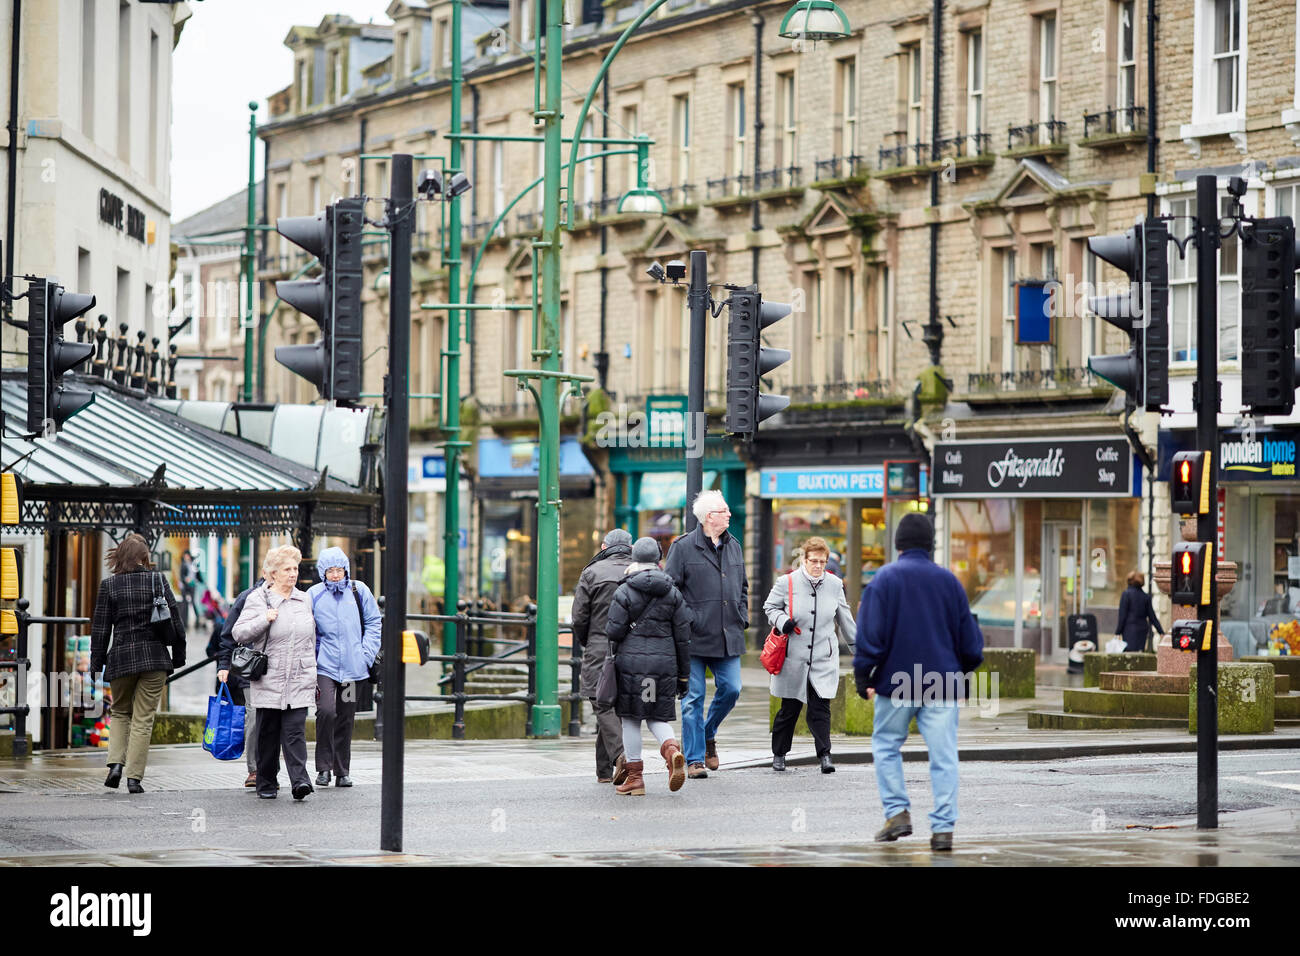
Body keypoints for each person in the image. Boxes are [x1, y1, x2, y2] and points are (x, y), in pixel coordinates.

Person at [853, 513, 983, 852]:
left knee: (885, 744)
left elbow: (870, 635)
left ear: (897, 544)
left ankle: (897, 812)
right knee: (943, 756)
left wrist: (862, 674)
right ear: (931, 544)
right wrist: (964, 672)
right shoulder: (949, 582)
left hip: (896, 680)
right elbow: (970, 642)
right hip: (942, 681)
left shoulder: (884, 579)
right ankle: (942, 830)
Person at [90, 533, 186, 794]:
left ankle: (115, 767)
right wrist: (179, 655)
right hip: (154, 658)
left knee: (120, 712)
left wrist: (95, 662)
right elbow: (175, 620)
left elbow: (100, 628)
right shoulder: (157, 580)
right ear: (145, 557)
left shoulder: (109, 585)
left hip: (121, 658)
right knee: (143, 719)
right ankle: (134, 779)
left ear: (120, 556)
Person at [664, 488, 747, 779]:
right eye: (724, 511)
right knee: (692, 699)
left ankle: (708, 732)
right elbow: (669, 590)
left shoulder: (734, 545)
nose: (729, 514)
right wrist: (686, 620)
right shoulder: (683, 547)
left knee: (732, 689)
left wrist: (742, 616)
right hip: (693, 637)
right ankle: (696, 760)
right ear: (709, 517)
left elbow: (743, 587)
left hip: (728, 635)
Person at [603, 537, 692, 795]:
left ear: (634, 559)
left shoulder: (624, 591)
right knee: (656, 716)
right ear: (658, 559)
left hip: (631, 665)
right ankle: (672, 750)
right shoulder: (673, 592)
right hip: (663, 665)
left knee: (631, 719)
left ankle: (635, 778)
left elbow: (613, 631)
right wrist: (684, 676)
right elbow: (683, 637)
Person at [764, 536, 857, 773]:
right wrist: (782, 621)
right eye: (813, 561)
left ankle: (825, 755)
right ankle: (779, 754)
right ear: (804, 560)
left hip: (823, 657)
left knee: (820, 707)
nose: (818, 566)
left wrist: (860, 651)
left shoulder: (835, 585)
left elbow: (845, 620)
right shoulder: (787, 582)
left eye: (822, 562)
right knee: (789, 708)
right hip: (792, 657)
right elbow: (769, 607)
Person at [233, 545, 317, 801]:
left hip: (299, 677)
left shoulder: (304, 599)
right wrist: (264, 620)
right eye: (287, 569)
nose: (293, 574)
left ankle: (300, 781)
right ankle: (266, 782)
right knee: (268, 735)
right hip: (270, 678)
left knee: (295, 733)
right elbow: (239, 633)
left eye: (295, 569)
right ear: (273, 573)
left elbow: (311, 640)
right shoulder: (259, 599)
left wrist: (311, 674)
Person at [308, 547, 381, 788]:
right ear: (323, 572)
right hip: (325, 668)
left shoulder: (360, 591)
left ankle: (341, 771)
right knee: (326, 711)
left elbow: (373, 622)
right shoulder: (313, 595)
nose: (336, 575)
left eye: (340, 570)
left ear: (346, 570)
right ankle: (323, 768)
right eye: (331, 570)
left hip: (353, 670)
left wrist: (366, 655)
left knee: (346, 717)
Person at [570, 528, 635, 784]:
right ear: (630, 547)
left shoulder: (591, 572)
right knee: (614, 705)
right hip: (633, 646)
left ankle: (622, 756)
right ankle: (605, 771)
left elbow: (579, 617)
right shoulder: (642, 572)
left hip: (600, 645)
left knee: (602, 702)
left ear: (604, 546)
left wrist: (588, 641)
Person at [216, 577, 265, 788]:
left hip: (280, 671)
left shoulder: (293, 598)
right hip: (251, 669)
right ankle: (254, 770)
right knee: (254, 716)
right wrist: (224, 665)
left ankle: (269, 769)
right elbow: (228, 635)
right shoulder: (247, 598)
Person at [1115, 570, 1166, 653]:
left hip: (1129, 629)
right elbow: (1152, 616)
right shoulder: (1145, 597)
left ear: (1129, 581)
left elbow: (1122, 616)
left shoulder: (1126, 594)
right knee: (1139, 653)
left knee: (1129, 654)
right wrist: (1161, 631)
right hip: (1142, 629)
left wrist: (1118, 632)